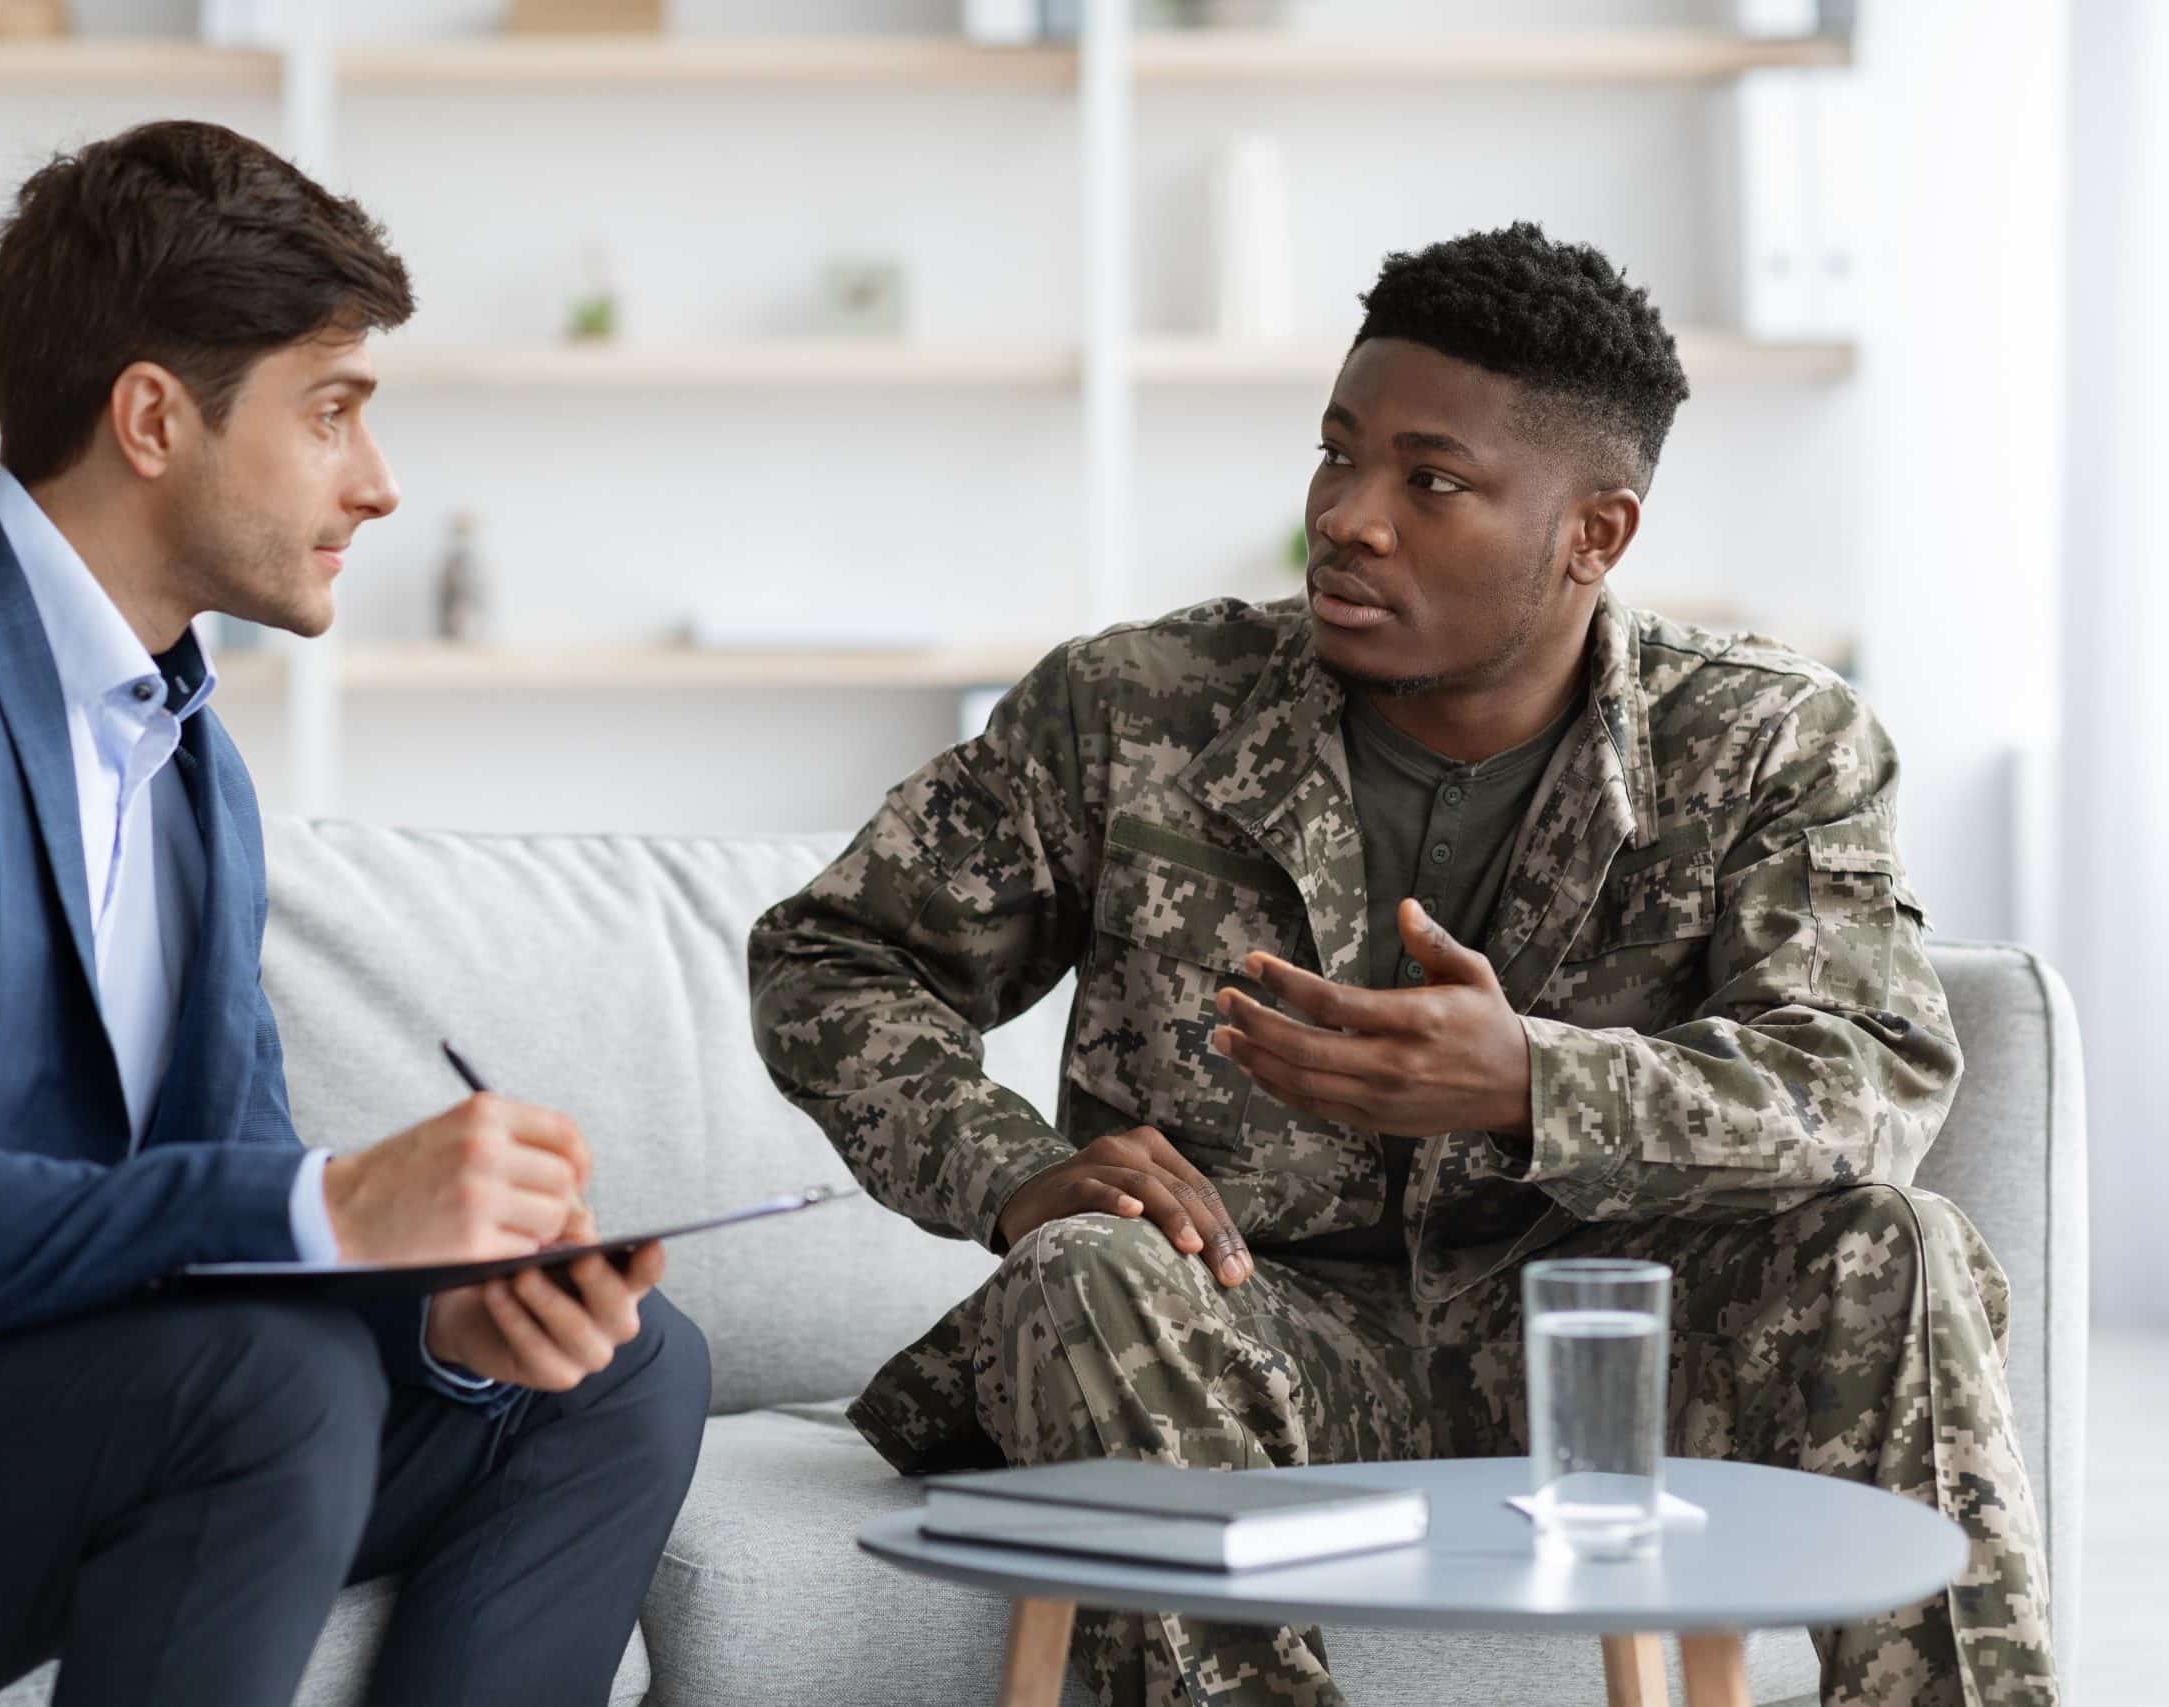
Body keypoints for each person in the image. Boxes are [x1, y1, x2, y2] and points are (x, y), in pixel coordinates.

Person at [748, 223, 2052, 1707]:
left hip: (1611, 1361)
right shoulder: (1129, 711)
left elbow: (1866, 1079)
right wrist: (1011, 1170)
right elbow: (834, 958)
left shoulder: (1763, 741)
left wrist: (1532, 1085)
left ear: (1595, 534)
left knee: (1901, 1247)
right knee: (1090, 1269)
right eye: (1337, 454)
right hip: (1247, 1341)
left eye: (1431, 482)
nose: (1349, 517)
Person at [0, 119, 707, 1707]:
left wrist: (449, 1324)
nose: (379, 485)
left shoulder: (188, 756)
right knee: (261, 1381)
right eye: (330, 413)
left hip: (59, 1409)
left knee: (614, 1368)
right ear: (150, 419)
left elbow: (234, 1189)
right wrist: (335, 1208)